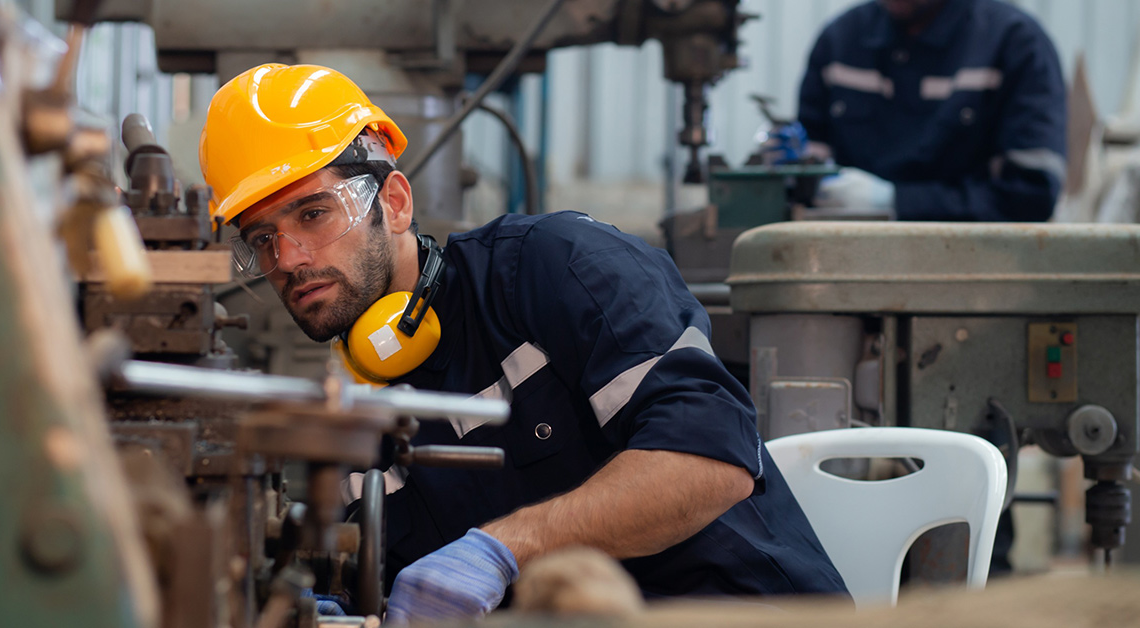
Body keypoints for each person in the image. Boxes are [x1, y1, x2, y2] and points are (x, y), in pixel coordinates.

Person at [200, 63, 849, 624]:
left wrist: (503, 548)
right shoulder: (353, 436)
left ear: (394, 202)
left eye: (314, 214)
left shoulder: (554, 269)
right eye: (262, 238)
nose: (288, 257)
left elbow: (710, 463)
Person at [797, 0, 1067, 221]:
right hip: (847, 265)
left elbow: (1032, 196)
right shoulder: (840, 41)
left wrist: (895, 201)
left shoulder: (1015, 44)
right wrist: (780, 169)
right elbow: (807, 166)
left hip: (973, 270)